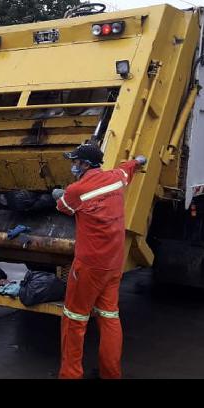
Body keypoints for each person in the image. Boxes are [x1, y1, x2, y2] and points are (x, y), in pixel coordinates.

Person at [51, 143, 146, 378]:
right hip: (114, 264)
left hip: (89, 266)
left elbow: (63, 207)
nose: (73, 165)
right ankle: (111, 373)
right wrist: (139, 161)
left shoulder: (76, 190)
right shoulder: (116, 178)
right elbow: (128, 168)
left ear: (85, 164)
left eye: (75, 162)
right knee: (109, 316)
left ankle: (70, 374)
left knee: (75, 318)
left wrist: (58, 194)